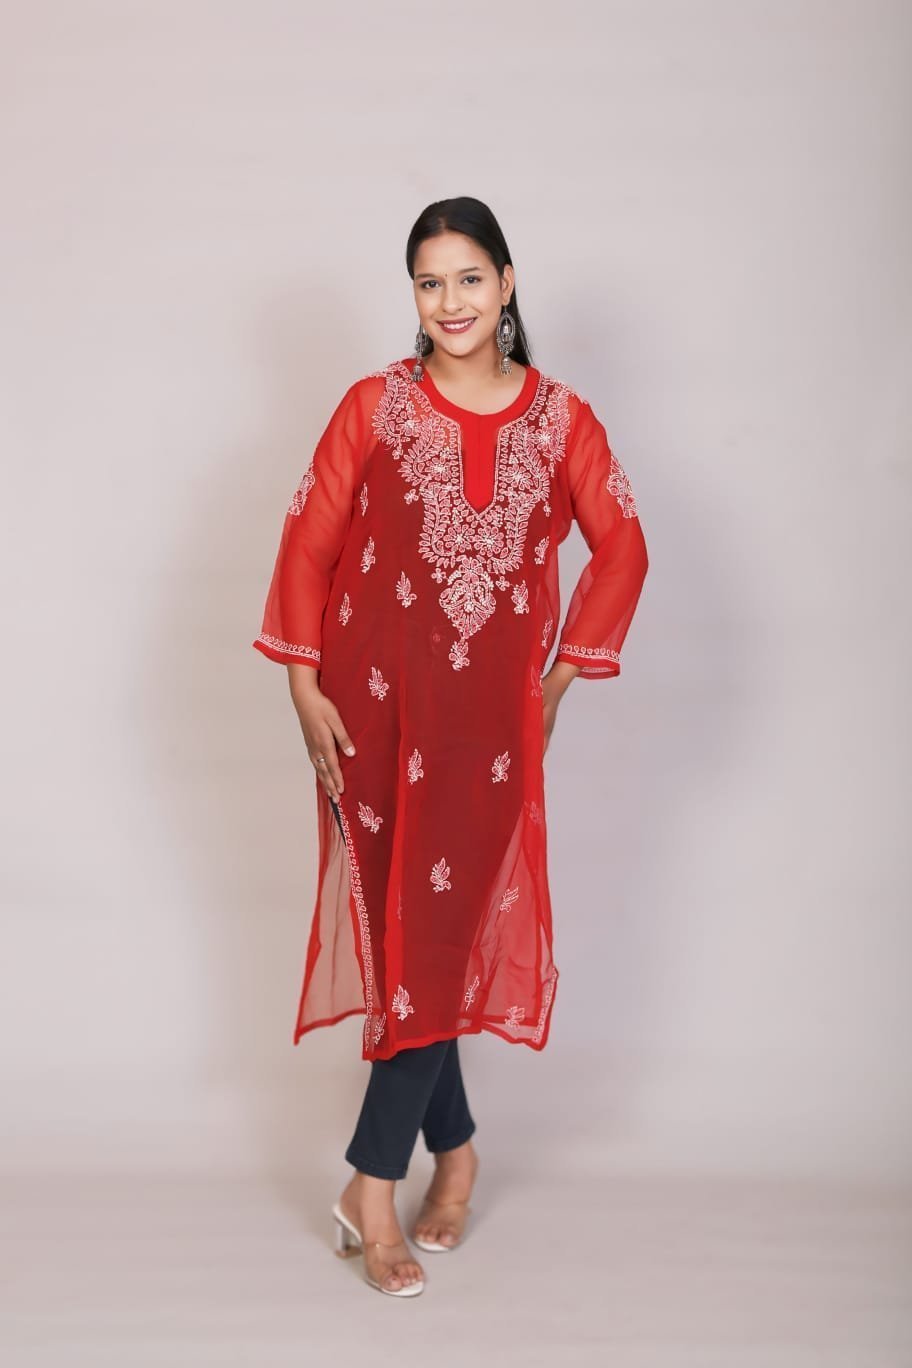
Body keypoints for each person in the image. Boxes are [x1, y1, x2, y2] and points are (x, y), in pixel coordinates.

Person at [252, 196, 649, 1296]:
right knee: (411, 946)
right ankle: (447, 1158)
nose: (451, 302)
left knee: (438, 937)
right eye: (430, 283)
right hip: (370, 714)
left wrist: (558, 679)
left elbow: (623, 543)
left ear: (507, 283)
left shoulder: (562, 422)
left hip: (486, 737)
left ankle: (371, 1183)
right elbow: (309, 538)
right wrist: (301, 683)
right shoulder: (374, 407)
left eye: (470, 278)